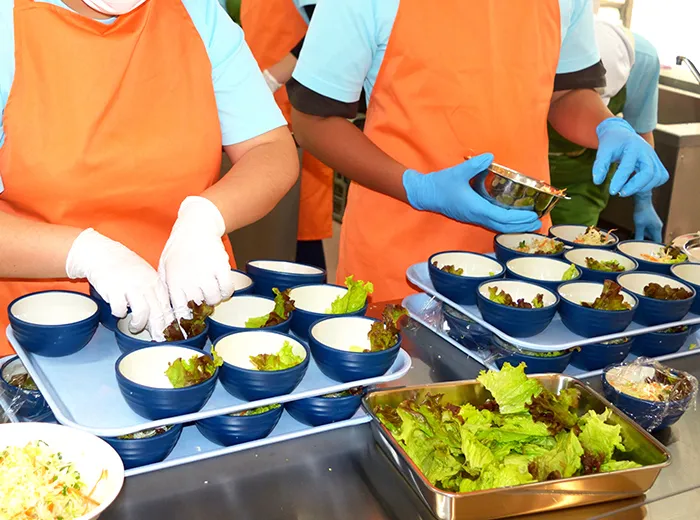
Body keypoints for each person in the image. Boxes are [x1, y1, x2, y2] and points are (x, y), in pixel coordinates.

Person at [288, 0, 669, 301]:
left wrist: (608, 127)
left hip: (521, 251)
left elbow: (566, 92)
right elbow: (312, 122)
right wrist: (418, 188)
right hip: (401, 253)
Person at [0, 0, 298, 355]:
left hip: (187, 313)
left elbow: (269, 148)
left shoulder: (196, 13)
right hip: (44, 334)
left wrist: (205, 218)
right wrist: (83, 253)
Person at [549, 16, 664, 241]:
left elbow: (641, 136)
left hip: (583, 181)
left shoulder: (644, 60)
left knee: (575, 248)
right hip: (526, 170)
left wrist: (643, 200)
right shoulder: (546, 44)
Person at [241, 0, 334, 270]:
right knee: (268, 233)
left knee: (298, 233)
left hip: (295, 110)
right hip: (262, 113)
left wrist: (272, 77)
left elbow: (328, 27)